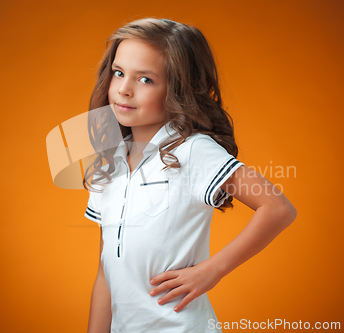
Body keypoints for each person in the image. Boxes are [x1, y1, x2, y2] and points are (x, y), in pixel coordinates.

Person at [83, 18, 297, 333]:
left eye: (145, 80)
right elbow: (105, 272)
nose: (124, 89)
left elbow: (278, 208)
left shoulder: (193, 150)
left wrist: (213, 270)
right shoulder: (108, 162)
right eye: (119, 73)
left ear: (178, 88)